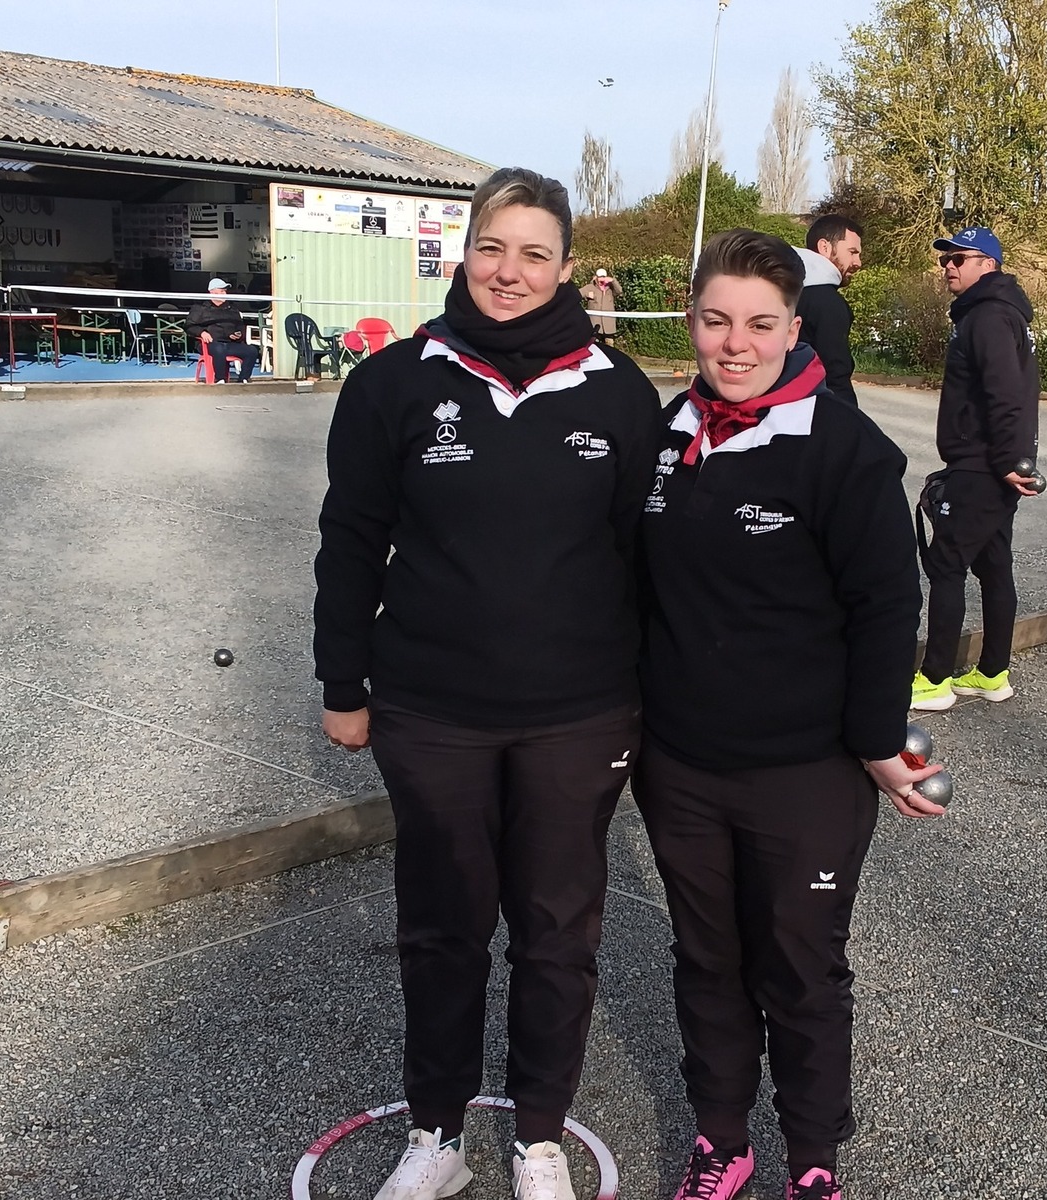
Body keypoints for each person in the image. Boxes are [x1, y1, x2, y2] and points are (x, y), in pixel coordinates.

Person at [312, 166, 662, 1200]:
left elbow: (646, 563)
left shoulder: (617, 391)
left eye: (534, 254)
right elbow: (350, 541)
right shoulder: (394, 382)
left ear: (566, 266)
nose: (510, 272)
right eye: (492, 248)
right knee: (443, 931)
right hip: (432, 712)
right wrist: (342, 681)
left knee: (557, 936)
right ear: (465, 252)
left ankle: (539, 1137)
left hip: (578, 715)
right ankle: (438, 1135)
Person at [635, 229, 944, 1200]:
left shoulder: (844, 448)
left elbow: (887, 606)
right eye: (716, 320)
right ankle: (721, 1140)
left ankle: (812, 1158)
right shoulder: (665, 433)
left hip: (803, 773)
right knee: (707, 960)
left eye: (760, 324)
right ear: (691, 321)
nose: (736, 344)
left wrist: (875, 740)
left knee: (800, 970)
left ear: (793, 329)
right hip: (681, 767)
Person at [910, 226, 1040, 712]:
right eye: (945, 260)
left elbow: (1005, 394)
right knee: (993, 565)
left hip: (982, 465)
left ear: (988, 264)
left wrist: (1006, 461)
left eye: (958, 259)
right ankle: (991, 673)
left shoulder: (987, 316)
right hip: (993, 463)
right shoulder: (1001, 312)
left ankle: (934, 680)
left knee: (946, 565)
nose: (948, 266)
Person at [793, 215, 863, 407]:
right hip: (815, 410)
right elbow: (835, 375)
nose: (858, 262)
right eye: (852, 252)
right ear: (824, 247)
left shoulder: (783, 291)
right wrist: (849, 417)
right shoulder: (827, 302)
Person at [187, 277, 261, 383]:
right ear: (212, 292)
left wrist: (238, 334)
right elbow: (189, 326)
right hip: (210, 344)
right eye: (222, 291)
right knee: (219, 349)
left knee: (252, 350)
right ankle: (220, 378)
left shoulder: (232, 309)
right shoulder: (200, 308)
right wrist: (202, 332)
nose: (225, 294)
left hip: (230, 343)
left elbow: (240, 326)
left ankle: (243, 378)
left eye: (225, 291)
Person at [577, 267, 622, 344]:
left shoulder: (611, 288)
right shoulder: (590, 287)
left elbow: (619, 291)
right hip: (595, 325)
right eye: (600, 277)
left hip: (608, 325)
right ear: (596, 277)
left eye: (603, 277)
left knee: (609, 345)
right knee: (594, 346)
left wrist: (613, 281)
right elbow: (577, 294)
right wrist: (587, 294)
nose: (602, 279)